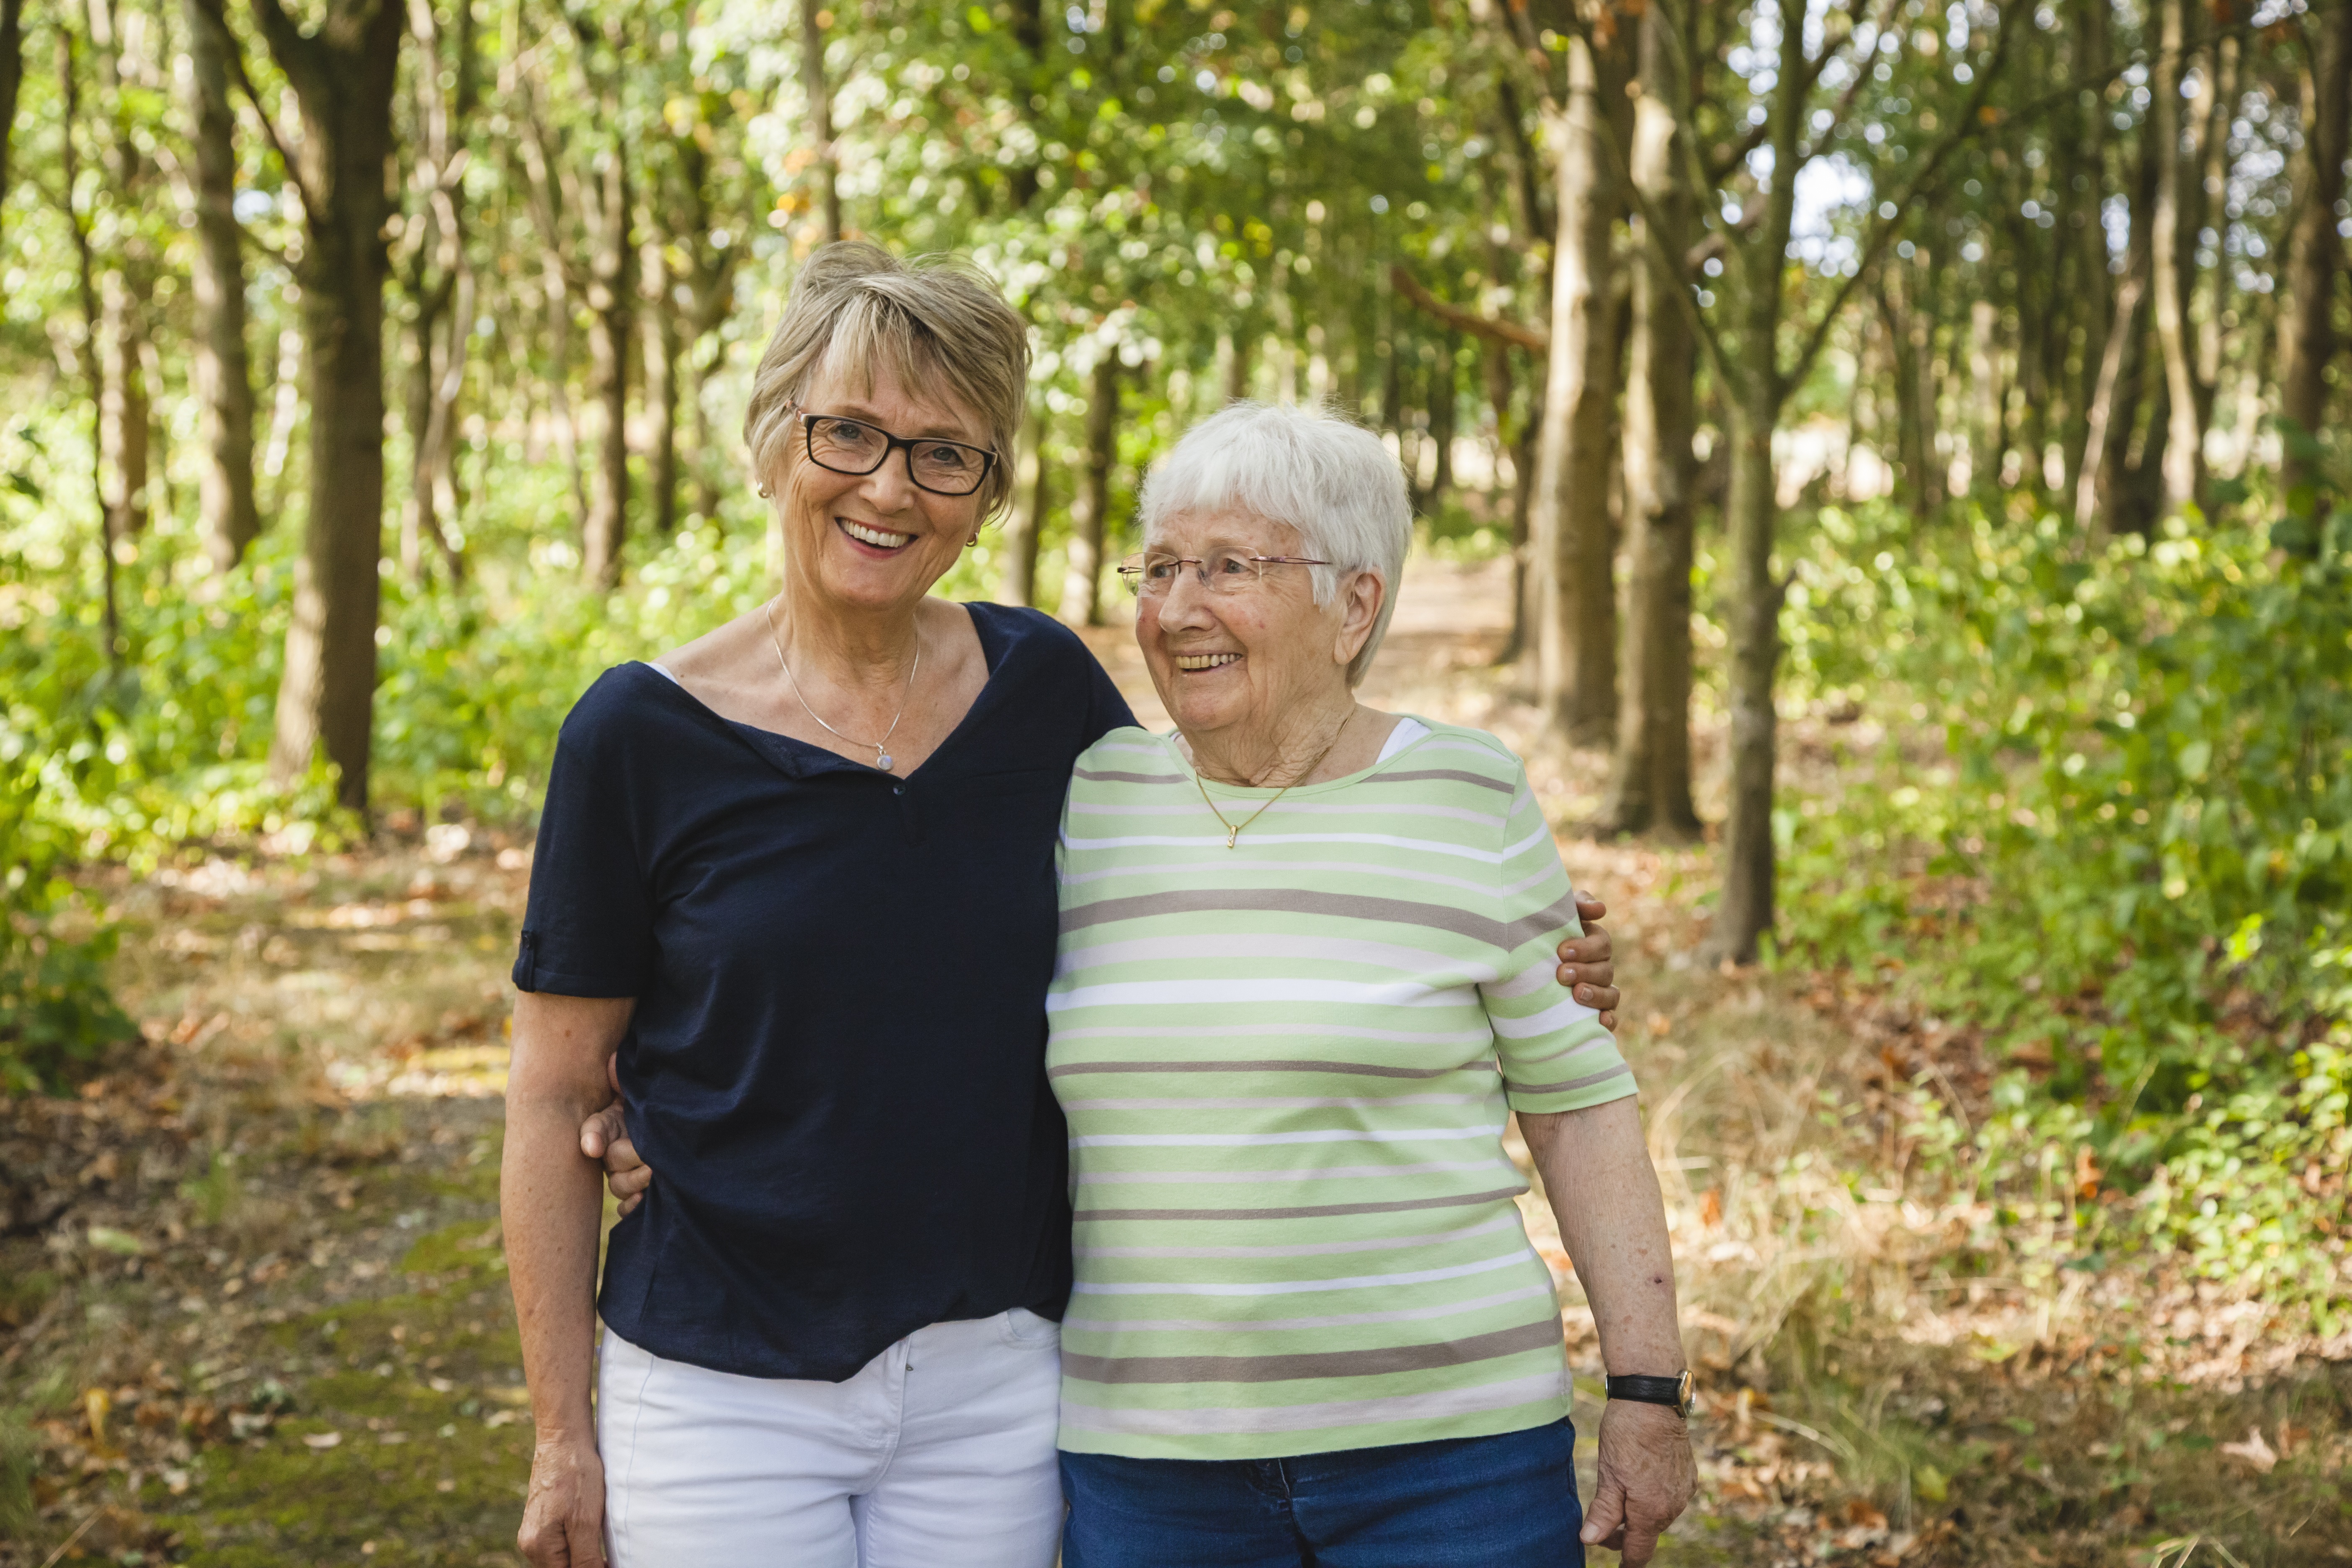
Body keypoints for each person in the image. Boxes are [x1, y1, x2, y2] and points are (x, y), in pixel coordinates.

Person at [507, 242, 1625, 1568]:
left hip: (998, 1377)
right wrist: (561, 1437)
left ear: (984, 499)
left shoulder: (1042, 693)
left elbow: (1224, 845)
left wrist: (1502, 925)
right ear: (771, 444)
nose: (888, 485)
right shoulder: (639, 733)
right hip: (716, 1376)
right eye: (847, 432)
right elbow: (553, 1094)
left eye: (945, 454)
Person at [1045, 402, 1696, 1567]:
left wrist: (1647, 1388)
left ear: (1356, 605)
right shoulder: (1086, 800)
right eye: (1161, 568)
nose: (1178, 607)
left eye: (1230, 567)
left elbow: (1579, 1104)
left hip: (1452, 1460)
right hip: (1149, 1464)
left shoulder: (1468, 794)